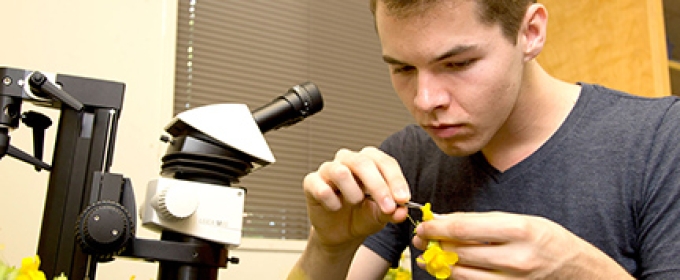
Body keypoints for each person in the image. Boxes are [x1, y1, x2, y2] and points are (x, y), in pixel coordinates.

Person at [288, 0, 680, 279]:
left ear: (531, 33)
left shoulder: (661, 139)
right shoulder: (406, 158)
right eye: (404, 68)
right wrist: (328, 247)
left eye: (457, 64)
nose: (426, 101)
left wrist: (581, 271)